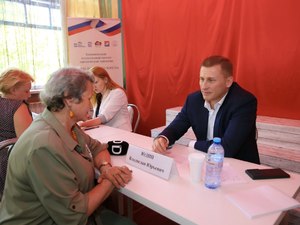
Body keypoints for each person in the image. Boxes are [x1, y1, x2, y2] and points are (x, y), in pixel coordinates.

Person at [0, 67, 135, 225]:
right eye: (87, 98)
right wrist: (111, 180)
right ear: (69, 100)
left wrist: (106, 168)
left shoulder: (66, 125)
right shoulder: (44, 146)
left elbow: (98, 148)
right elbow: (74, 217)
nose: (90, 107)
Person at [152, 55, 260, 164]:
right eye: (202, 79)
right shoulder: (193, 100)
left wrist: (192, 144)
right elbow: (177, 126)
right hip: (205, 162)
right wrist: (163, 138)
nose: (204, 86)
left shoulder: (244, 102)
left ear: (228, 81)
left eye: (211, 80)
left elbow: (227, 148)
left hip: (240, 167)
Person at [78, 66, 132, 132]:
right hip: (107, 132)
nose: (93, 86)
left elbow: (103, 118)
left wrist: (82, 124)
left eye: (96, 82)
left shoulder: (118, 93)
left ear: (105, 80)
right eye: (91, 84)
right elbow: (94, 117)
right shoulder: (99, 96)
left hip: (121, 134)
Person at [0, 68, 34, 142]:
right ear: (13, 90)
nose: (29, 95)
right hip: (10, 151)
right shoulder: (18, 106)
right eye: (26, 91)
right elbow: (27, 141)